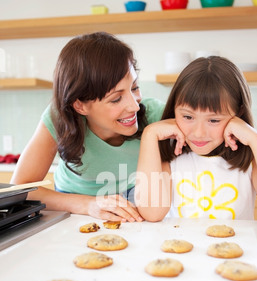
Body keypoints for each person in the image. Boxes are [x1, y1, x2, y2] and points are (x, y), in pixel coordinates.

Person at [11, 32, 164, 222]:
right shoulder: (59, 118)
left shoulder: (154, 114)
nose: (134, 106)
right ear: (80, 105)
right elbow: (20, 188)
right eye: (116, 99)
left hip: (134, 195)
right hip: (74, 201)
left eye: (134, 88)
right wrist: (88, 204)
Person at [135, 56, 257, 226]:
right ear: (174, 110)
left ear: (238, 114)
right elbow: (152, 213)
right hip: (182, 250)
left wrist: (256, 139)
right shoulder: (170, 155)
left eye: (213, 120)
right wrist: (150, 134)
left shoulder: (249, 160)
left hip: (235, 250)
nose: (199, 133)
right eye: (187, 117)